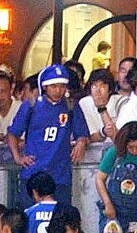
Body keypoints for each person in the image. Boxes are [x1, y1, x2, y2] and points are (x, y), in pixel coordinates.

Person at [9, 64, 87, 209]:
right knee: (29, 219)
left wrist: (81, 142)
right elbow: (13, 133)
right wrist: (17, 157)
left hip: (60, 175)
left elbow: (82, 133)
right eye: (54, 86)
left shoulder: (71, 106)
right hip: (33, 173)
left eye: (62, 86)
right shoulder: (31, 105)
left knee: (60, 220)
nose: (59, 90)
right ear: (45, 87)